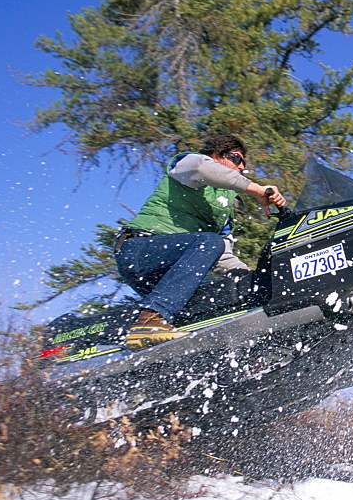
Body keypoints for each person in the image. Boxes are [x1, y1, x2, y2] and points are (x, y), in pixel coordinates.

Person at [114, 135, 285, 351]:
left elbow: (222, 253)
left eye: (243, 163)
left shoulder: (224, 206)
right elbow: (203, 169)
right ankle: (150, 320)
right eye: (236, 159)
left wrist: (248, 274)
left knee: (220, 295)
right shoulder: (188, 163)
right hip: (139, 250)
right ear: (216, 155)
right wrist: (257, 190)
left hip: (170, 272)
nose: (241, 167)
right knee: (209, 242)